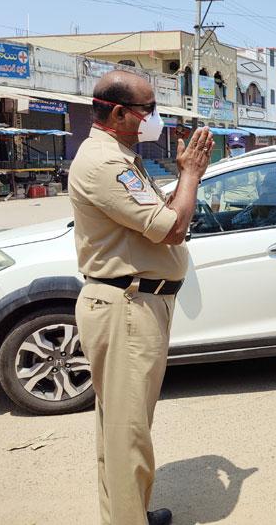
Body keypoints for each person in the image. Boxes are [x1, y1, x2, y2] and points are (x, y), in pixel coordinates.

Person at [69, 70, 214, 525]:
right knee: (127, 432)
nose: (154, 118)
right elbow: (172, 228)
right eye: (148, 110)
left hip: (134, 303)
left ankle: (126, 514)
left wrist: (182, 183)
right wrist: (190, 174)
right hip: (126, 306)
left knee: (121, 428)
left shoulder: (120, 157)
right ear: (117, 113)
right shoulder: (104, 164)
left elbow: (157, 215)